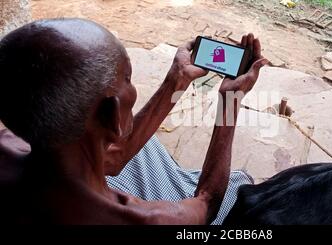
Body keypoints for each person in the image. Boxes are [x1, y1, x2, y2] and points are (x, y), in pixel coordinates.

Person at [0, 18, 268, 224]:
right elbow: (208, 202)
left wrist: (177, 79)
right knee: (237, 188)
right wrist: (230, 100)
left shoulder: (9, 144)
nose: (132, 85)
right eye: (127, 78)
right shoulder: (147, 218)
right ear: (111, 115)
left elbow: (112, 160)